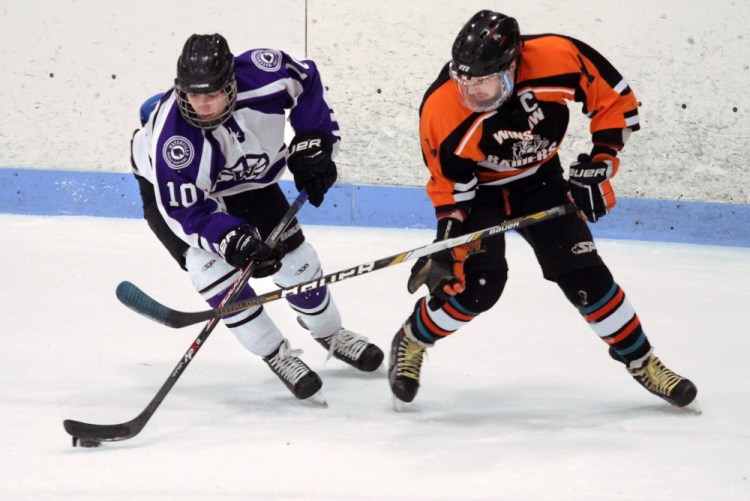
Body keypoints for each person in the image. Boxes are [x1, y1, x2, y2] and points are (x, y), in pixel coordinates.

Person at [388, 10, 697, 410]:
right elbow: (450, 189)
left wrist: (601, 162)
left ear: (513, 64)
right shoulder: (442, 108)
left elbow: (613, 101)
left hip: (540, 181)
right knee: (477, 287)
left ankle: (642, 361)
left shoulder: (557, 56)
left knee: (586, 277)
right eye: (467, 83)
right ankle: (413, 337)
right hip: (481, 193)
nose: (474, 94)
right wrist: (449, 244)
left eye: (485, 83)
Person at [130, 33, 384, 403]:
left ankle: (330, 334)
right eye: (192, 95)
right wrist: (231, 240)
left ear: (231, 82)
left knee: (298, 264)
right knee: (213, 273)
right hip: (178, 198)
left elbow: (306, 79)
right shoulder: (174, 143)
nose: (201, 106)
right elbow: (188, 212)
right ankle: (275, 353)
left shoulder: (265, 72)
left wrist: (315, 140)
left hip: (246, 182)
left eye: (211, 94)